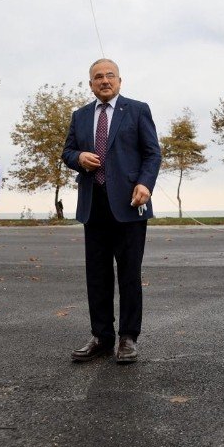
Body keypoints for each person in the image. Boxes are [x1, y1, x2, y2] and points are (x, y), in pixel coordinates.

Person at [62, 58, 161, 364]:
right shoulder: (79, 116)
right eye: (97, 77)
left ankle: (128, 338)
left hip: (131, 204)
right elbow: (66, 152)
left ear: (120, 80)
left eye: (109, 76)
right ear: (90, 84)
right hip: (94, 206)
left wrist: (145, 184)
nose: (104, 81)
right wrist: (78, 157)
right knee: (97, 275)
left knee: (129, 274)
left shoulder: (137, 109)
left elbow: (152, 153)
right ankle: (101, 337)